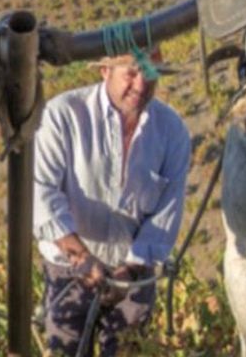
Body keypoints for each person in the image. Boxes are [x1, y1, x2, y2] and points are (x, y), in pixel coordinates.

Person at [33, 46, 192, 356]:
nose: (141, 85)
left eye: (149, 74)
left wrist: (131, 270)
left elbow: (167, 211)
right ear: (104, 71)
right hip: (68, 269)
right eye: (131, 73)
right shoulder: (62, 115)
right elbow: (41, 191)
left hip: (133, 275)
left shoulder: (172, 131)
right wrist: (81, 257)